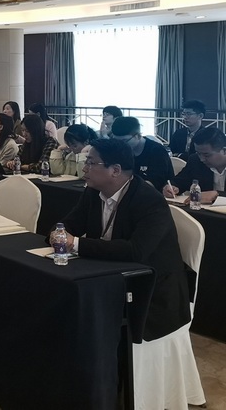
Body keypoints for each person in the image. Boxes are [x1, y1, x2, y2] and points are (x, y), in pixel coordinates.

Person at [54, 139, 190, 341]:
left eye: (91, 163)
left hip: (150, 289)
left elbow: (136, 251)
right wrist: (58, 233)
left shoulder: (149, 200)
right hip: (110, 274)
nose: (84, 168)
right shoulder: (93, 192)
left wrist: (74, 243)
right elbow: (69, 225)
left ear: (115, 170)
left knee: (81, 308)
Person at [164, 126, 226, 204]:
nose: (202, 159)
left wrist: (217, 194)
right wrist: (171, 188)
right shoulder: (195, 161)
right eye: (199, 153)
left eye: (207, 155)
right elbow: (180, 181)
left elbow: (216, 195)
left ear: (224, 151)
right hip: (202, 210)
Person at [110, 116, 172, 191]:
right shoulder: (119, 150)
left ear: (138, 136)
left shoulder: (157, 151)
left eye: (124, 141)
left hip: (154, 194)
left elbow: (156, 182)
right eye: (116, 141)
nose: (120, 145)